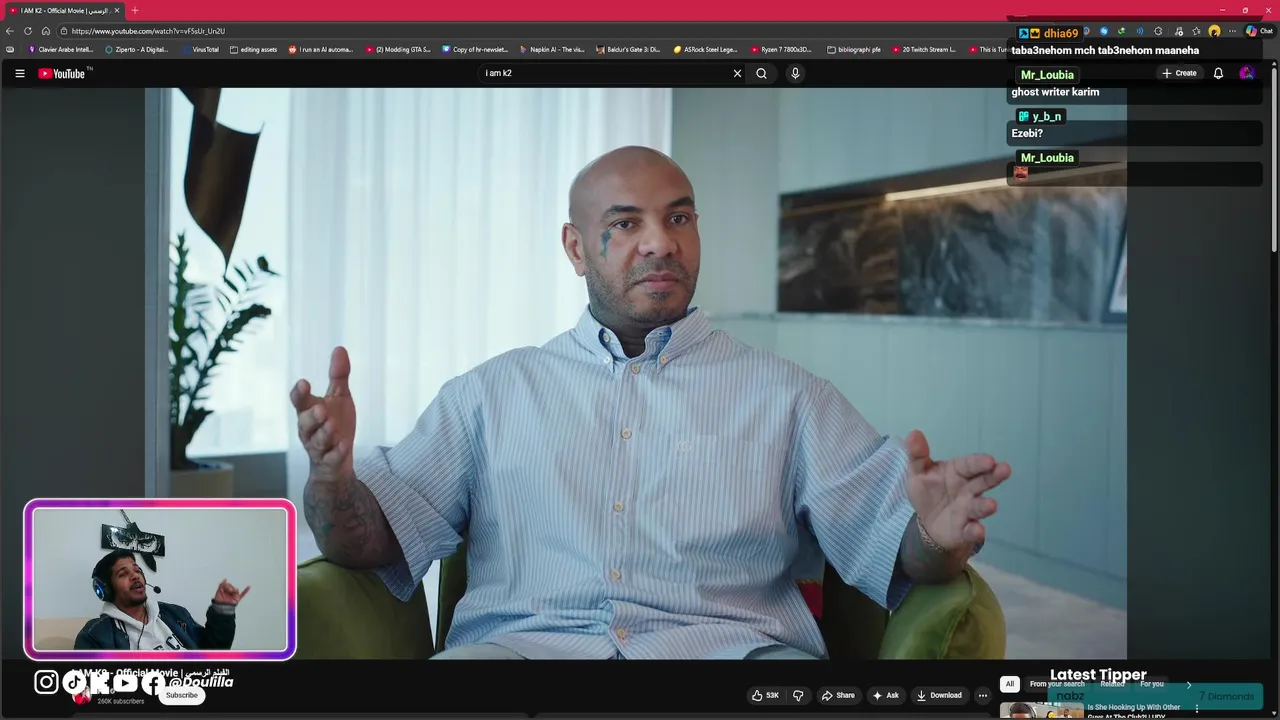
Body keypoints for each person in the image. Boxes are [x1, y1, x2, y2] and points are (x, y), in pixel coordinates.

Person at [293, 146, 1012, 660]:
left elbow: (897, 545)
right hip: (520, 652)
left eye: (679, 218)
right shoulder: (488, 396)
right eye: (626, 223)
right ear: (576, 247)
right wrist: (333, 479)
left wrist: (934, 537)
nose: (659, 244)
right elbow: (362, 542)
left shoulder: (789, 397)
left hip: (733, 653)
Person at [73, 549, 249, 651]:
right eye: (123, 574)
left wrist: (222, 611)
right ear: (106, 589)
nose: (135, 576)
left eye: (137, 570)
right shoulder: (95, 636)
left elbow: (213, 650)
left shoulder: (174, 614)